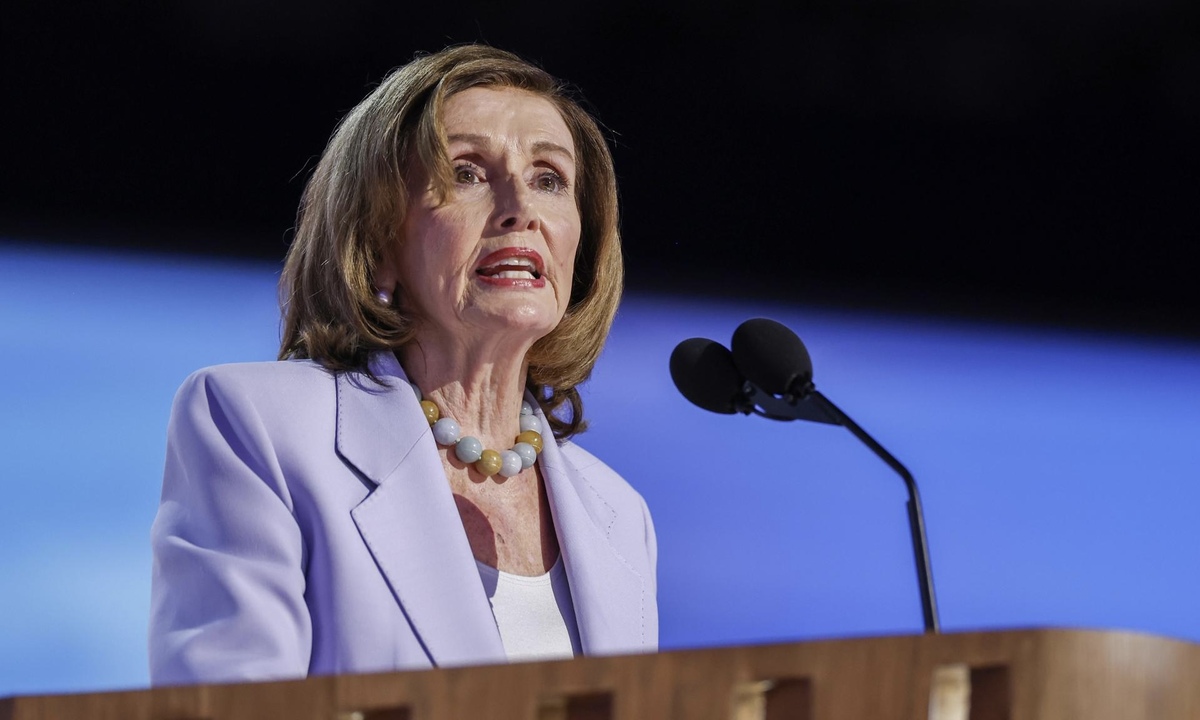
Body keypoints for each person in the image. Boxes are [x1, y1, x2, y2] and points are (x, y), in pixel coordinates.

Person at [148, 44, 657, 686]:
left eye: (549, 178)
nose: (520, 208)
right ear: (378, 239)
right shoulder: (260, 427)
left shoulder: (617, 513)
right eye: (468, 172)